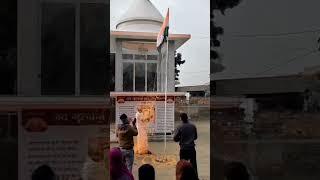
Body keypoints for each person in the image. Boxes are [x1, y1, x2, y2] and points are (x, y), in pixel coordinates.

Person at [173, 113, 198, 178]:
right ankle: (195, 178)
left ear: (181, 118)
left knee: (183, 166)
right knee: (194, 165)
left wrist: (180, 138)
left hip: (183, 149)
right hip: (192, 149)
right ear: (187, 118)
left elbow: (175, 139)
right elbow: (195, 137)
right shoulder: (193, 126)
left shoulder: (179, 127)